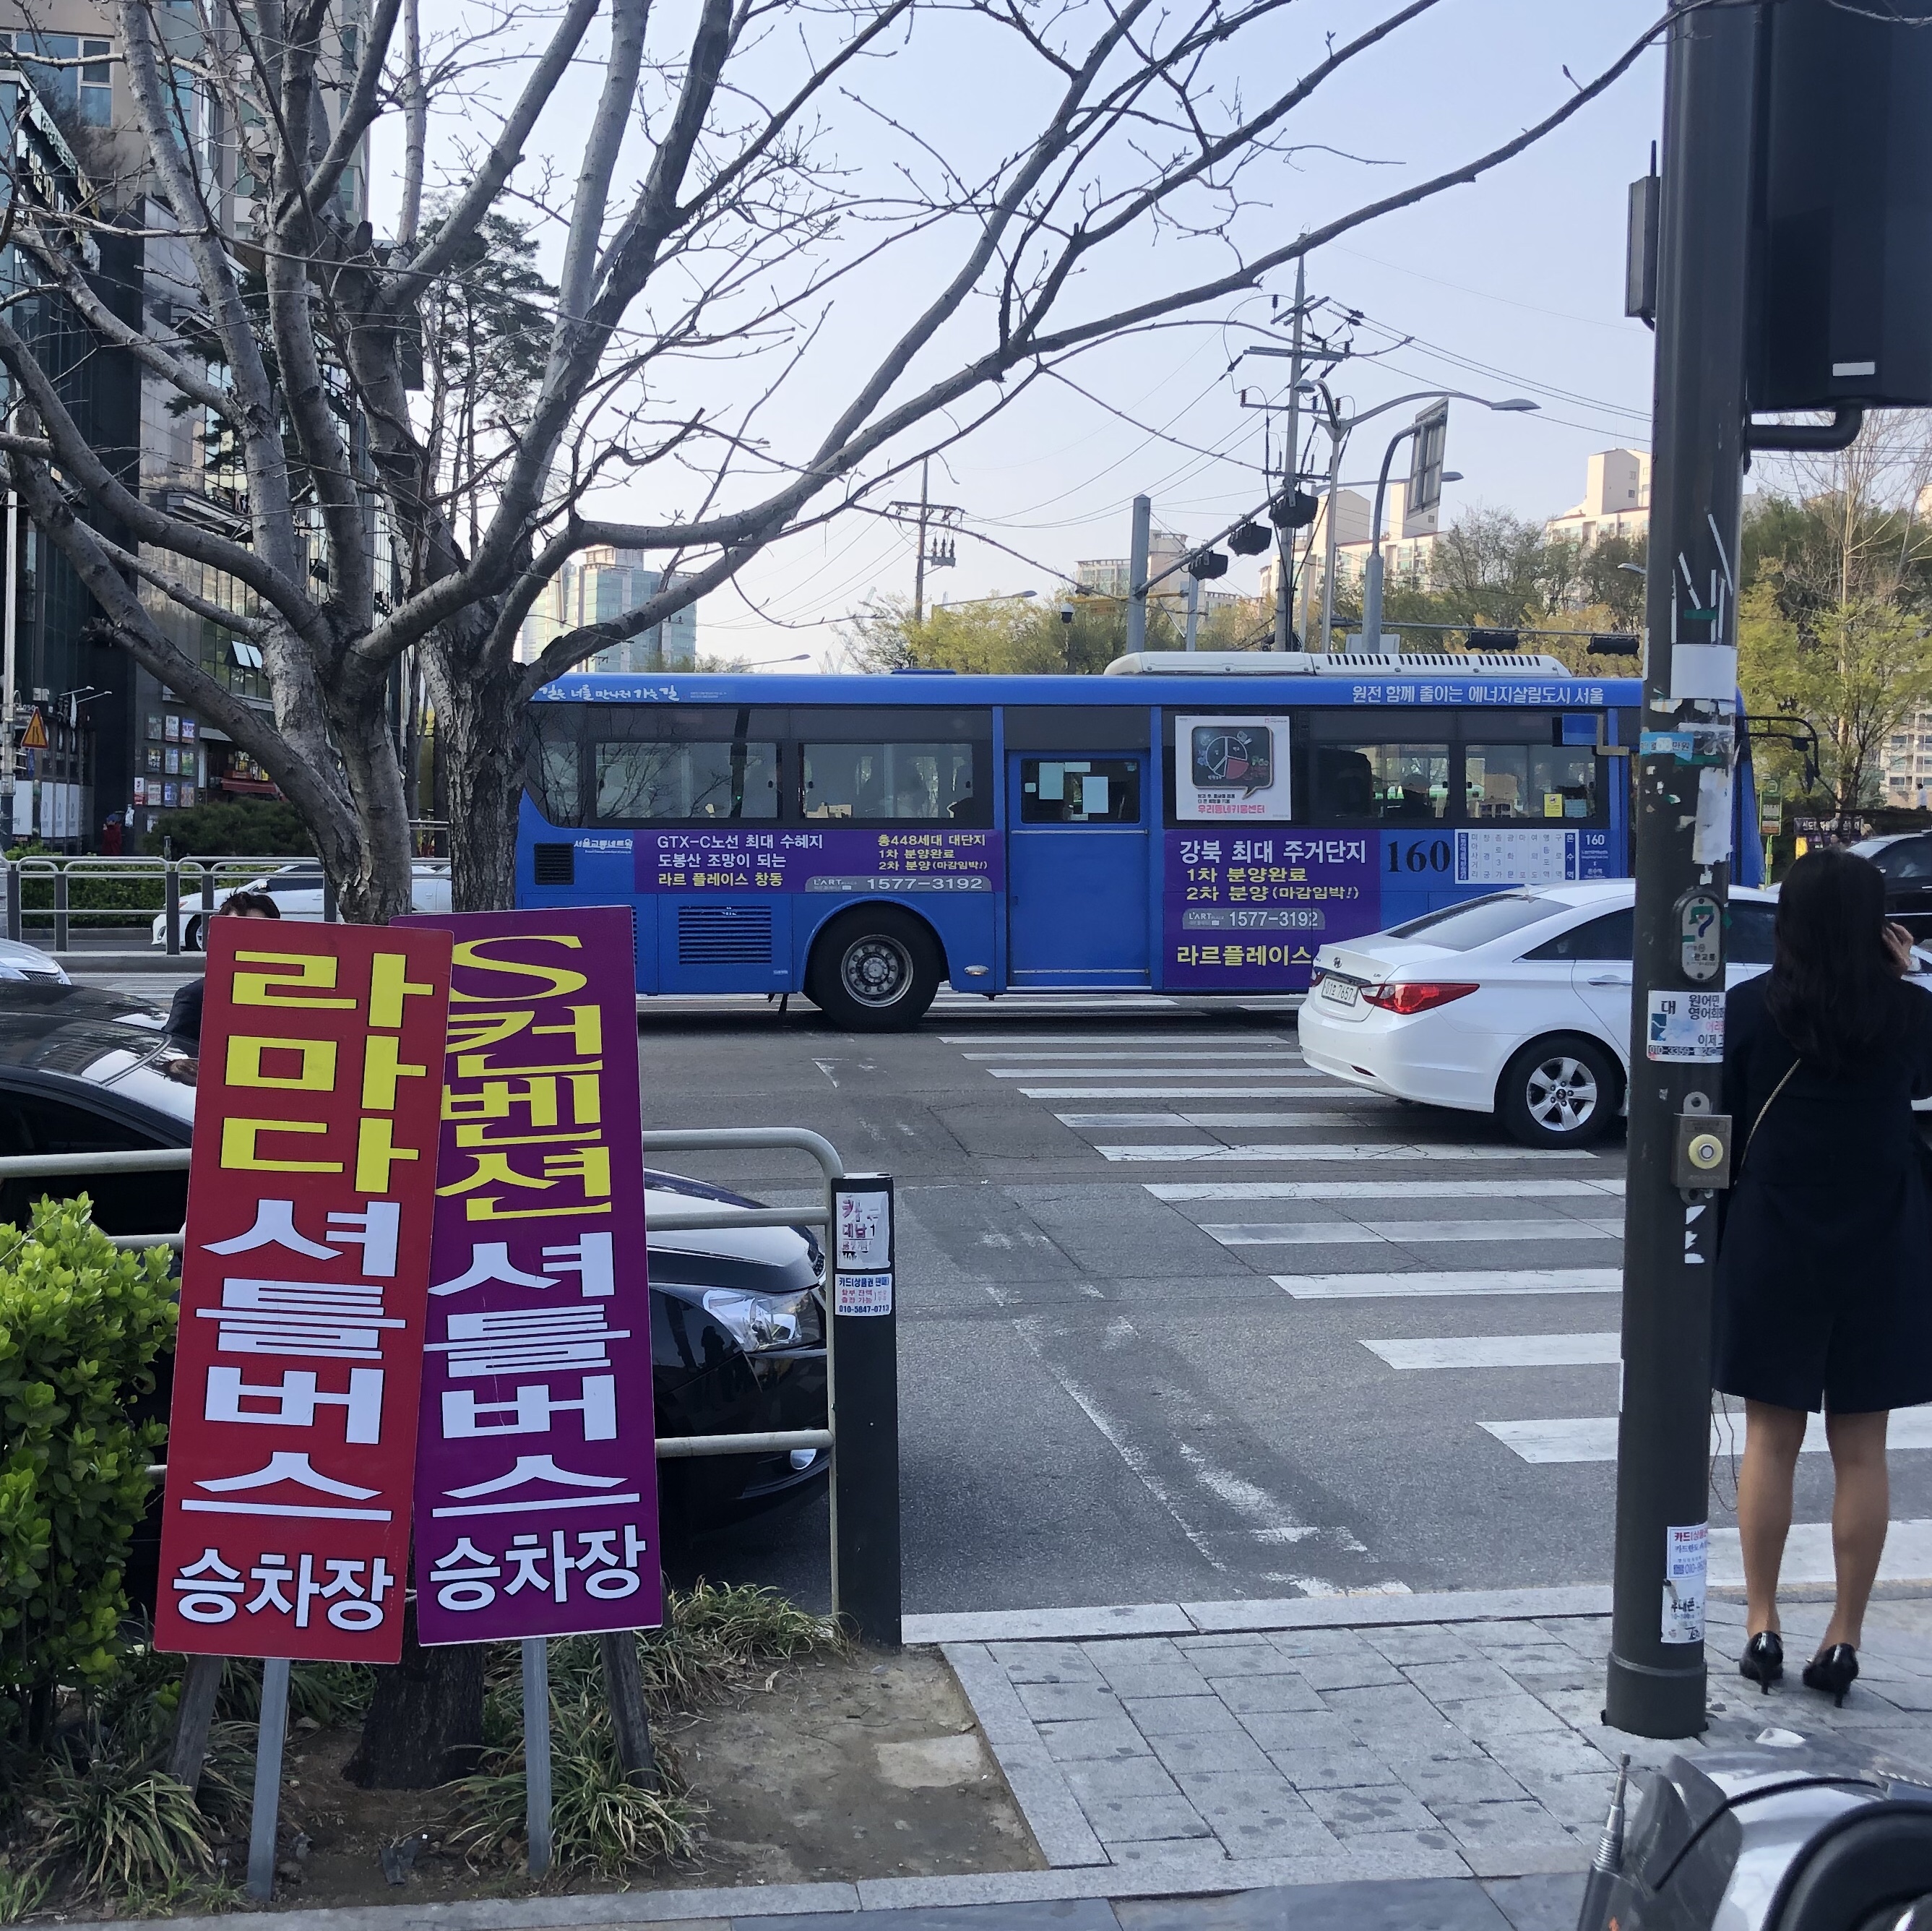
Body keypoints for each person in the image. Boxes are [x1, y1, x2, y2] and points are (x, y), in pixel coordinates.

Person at [1715, 846, 1932, 1706]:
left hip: (1775, 1234)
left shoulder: (1749, 1008)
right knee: (1862, 1445)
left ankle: (1761, 1620)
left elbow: (1722, 1117)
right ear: (1874, 924)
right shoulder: (1910, 1012)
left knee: (1771, 1438)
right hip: (1881, 1238)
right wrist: (1899, 976)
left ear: (1789, 920)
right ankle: (1843, 1633)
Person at [164, 889, 280, 1054]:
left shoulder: (296, 995)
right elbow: (171, 1054)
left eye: (260, 931)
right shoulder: (196, 997)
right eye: (239, 932)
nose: (250, 941)